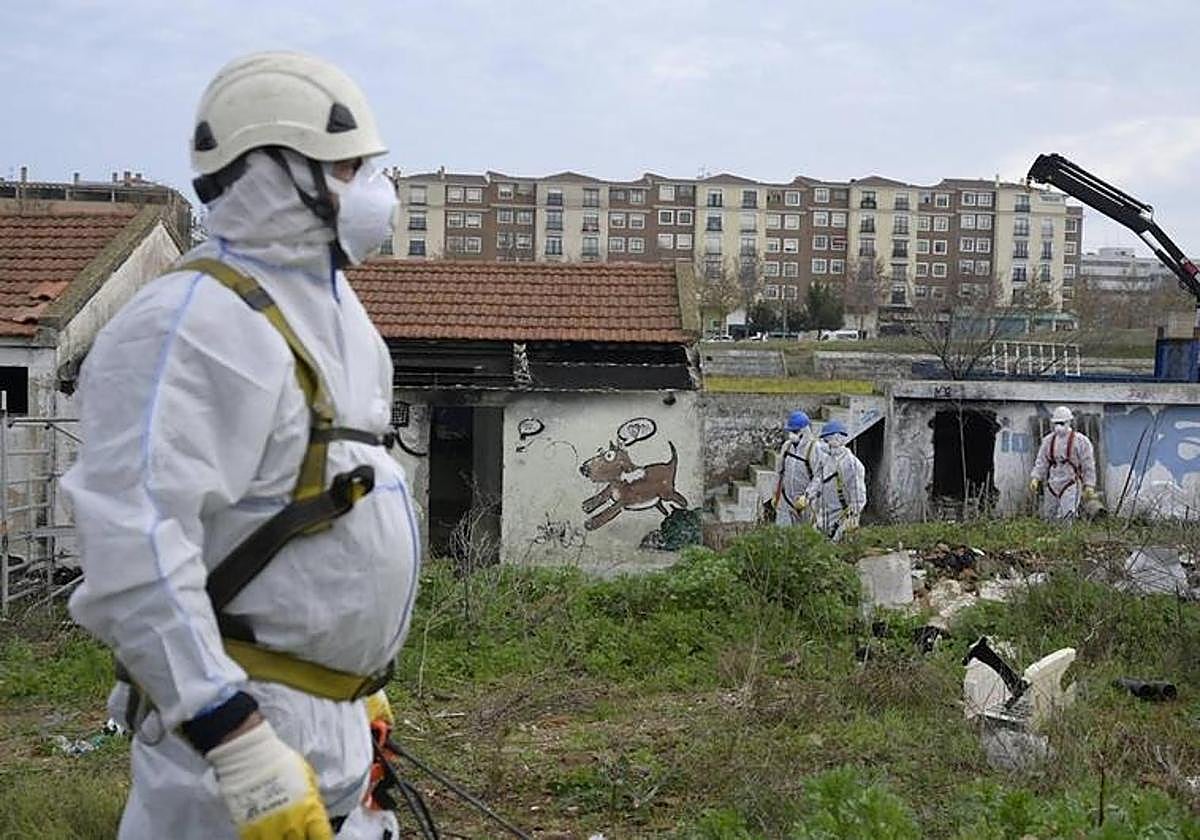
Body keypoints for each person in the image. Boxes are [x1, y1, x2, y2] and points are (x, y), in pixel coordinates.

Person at [64, 51, 419, 839]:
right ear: (273, 170)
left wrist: (358, 687)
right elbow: (136, 553)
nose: (376, 192)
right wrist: (231, 736)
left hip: (336, 731)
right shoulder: (182, 328)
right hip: (233, 754)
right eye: (351, 166)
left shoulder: (340, 319)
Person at [1029, 405, 1098, 520]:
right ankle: (1050, 535)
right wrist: (1036, 478)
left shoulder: (1081, 441)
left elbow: (1088, 464)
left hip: (1070, 482)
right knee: (1049, 515)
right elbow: (1041, 461)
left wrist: (1089, 485)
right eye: (1056, 423)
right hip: (1053, 482)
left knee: (1067, 514)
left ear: (1069, 422)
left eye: (1062, 423)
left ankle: (1066, 537)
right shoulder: (1048, 441)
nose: (1058, 427)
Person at [810, 420, 866, 540]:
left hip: (841, 518)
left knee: (836, 550)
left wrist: (853, 518)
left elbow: (858, 496)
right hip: (823, 515)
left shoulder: (851, 464)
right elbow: (818, 479)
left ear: (836, 439)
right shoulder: (827, 459)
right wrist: (808, 495)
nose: (823, 444)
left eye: (825, 440)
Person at [772, 409, 820, 527]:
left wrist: (807, 496)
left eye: (795, 431)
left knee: (806, 536)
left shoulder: (814, 449)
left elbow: (819, 477)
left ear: (804, 431)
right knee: (782, 535)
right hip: (785, 500)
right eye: (790, 431)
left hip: (806, 503)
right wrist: (775, 493)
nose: (792, 434)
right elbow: (780, 472)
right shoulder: (787, 447)